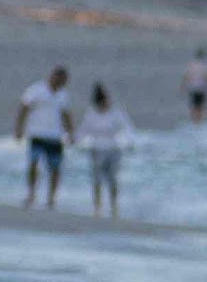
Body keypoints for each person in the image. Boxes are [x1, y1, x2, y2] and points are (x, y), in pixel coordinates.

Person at [14, 66, 74, 210]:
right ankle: (31, 194)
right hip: (37, 133)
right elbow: (23, 108)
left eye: (64, 81)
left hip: (55, 135)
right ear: (53, 76)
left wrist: (70, 133)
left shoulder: (63, 95)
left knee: (55, 168)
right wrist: (19, 128)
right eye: (59, 79)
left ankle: (51, 198)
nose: (61, 82)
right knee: (33, 164)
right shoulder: (36, 90)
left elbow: (66, 115)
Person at [78, 82, 135, 219]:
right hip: (97, 149)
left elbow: (127, 127)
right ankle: (97, 207)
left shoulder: (116, 113)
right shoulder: (91, 114)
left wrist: (129, 142)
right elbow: (83, 130)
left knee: (112, 179)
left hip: (113, 149)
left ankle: (114, 207)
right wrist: (76, 141)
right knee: (97, 179)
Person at [181, 47, 207, 123]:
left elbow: (187, 76)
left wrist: (183, 86)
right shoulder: (205, 65)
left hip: (193, 88)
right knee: (201, 106)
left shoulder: (191, 65)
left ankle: (194, 121)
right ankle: (199, 121)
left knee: (194, 106)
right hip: (202, 88)